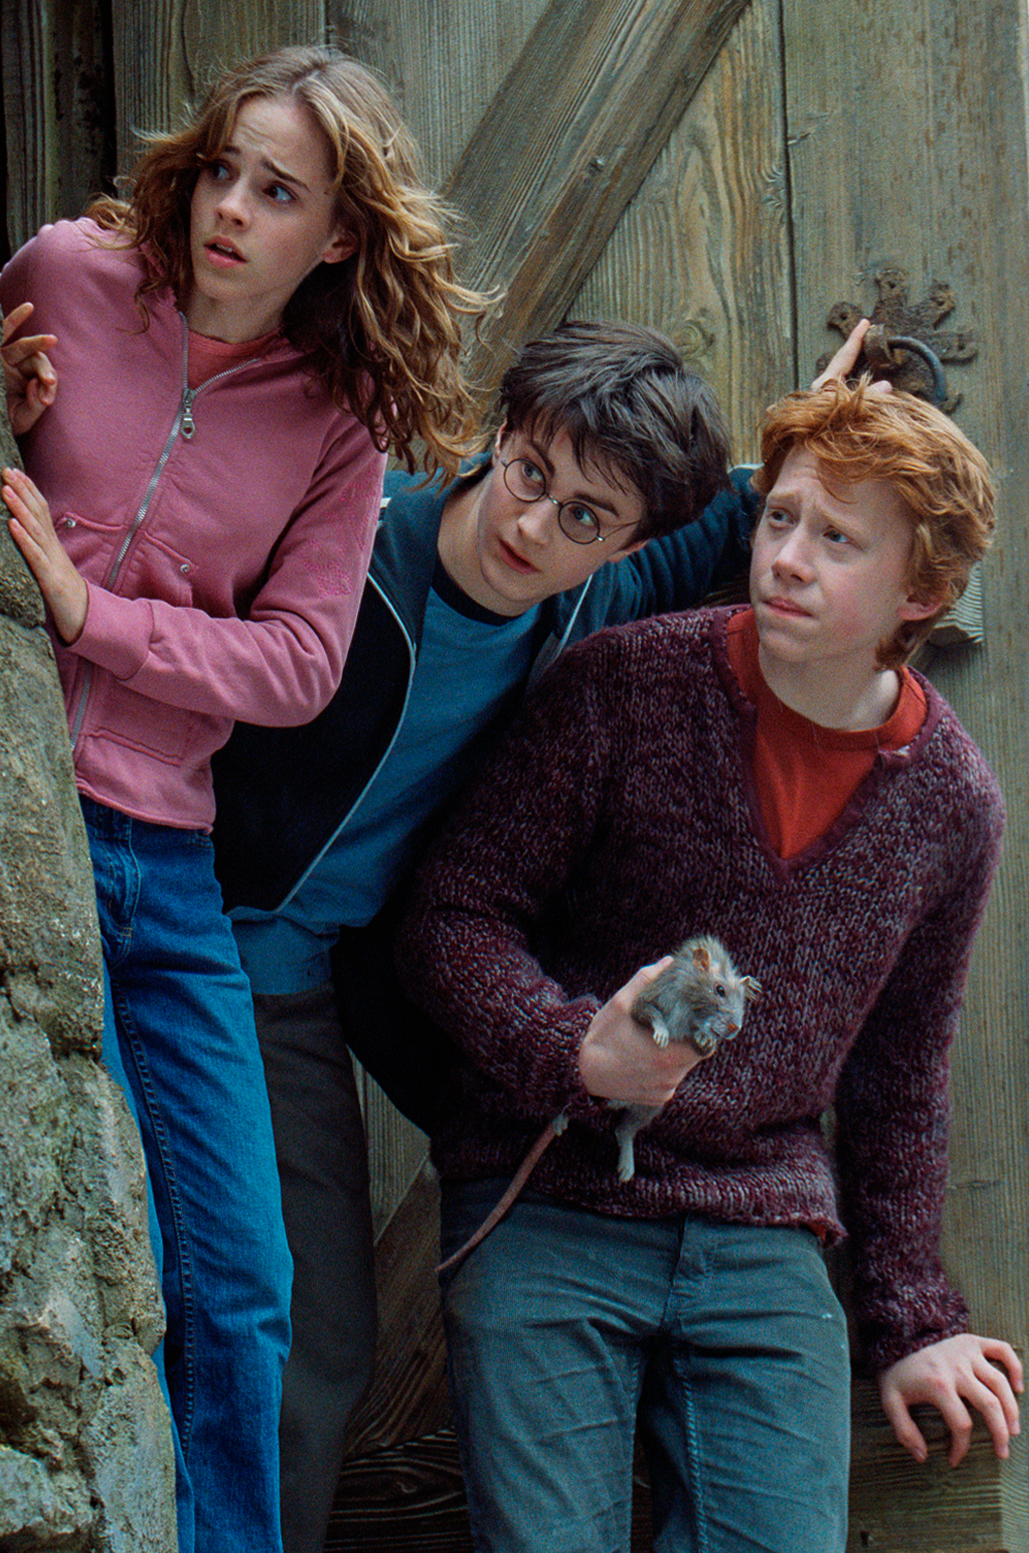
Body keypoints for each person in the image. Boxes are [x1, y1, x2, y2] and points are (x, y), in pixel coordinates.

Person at [395, 374, 1022, 1552]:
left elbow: (902, 1072)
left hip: (763, 1229)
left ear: (921, 592)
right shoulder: (622, 687)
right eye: (780, 516)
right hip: (550, 1200)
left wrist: (911, 1316)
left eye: (838, 539)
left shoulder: (953, 802)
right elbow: (451, 915)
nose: (787, 554)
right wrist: (569, 1048)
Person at [0, 43, 484, 1553]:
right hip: (25, 830)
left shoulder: (335, 423)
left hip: (165, 860)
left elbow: (293, 667)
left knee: (244, 1277)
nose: (229, 212)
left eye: (279, 194)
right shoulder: (68, 274)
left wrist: (94, 612)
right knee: (81, 1232)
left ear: (336, 235)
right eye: (224, 170)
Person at [209, 318, 761, 1553]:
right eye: (531, 476)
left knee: (325, 1341)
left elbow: (735, 521)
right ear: (497, 436)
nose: (535, 527)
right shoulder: (345, 547)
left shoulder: (594, 595)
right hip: (194, 938)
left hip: (309, 989)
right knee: (249, 1312)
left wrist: (833, 442)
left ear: (626, 540)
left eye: (585, 518)